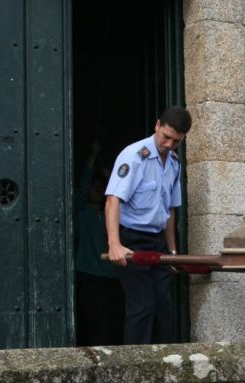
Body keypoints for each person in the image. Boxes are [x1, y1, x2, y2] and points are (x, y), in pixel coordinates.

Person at [105, 106, 192, 345]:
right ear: (157, 125)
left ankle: (164, 363)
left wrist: (173, 252)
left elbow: (170, 210)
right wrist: (115, 244)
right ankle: (134, 369)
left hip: (158, 242)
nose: (168, 144)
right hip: (131, 239)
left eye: (176, 141)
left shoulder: (174, 163)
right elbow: (113, 199)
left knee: (164, 308)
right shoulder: (134, 156)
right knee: (142, 306)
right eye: (165, 137)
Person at [74, 141, 124, 346]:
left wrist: (109, 177)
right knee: (94, 323)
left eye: (99, 187)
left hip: (113, 276)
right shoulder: (81, 211)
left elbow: (120, 194)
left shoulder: (113, 215)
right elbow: (82, 186)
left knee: (114, 322)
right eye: (93, 187)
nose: (95, 190)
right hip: (88, 274)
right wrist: (93, 155)